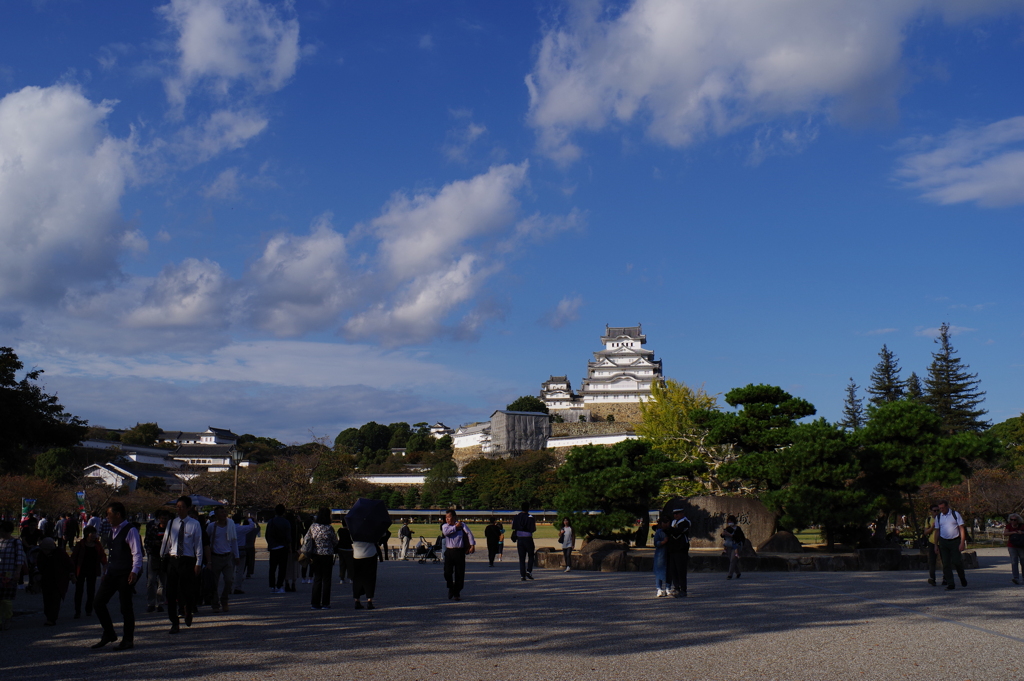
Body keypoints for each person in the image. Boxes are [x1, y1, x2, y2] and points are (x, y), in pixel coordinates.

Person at [91, 502, 142, 650]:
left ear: (118, 514)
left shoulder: (130, 530)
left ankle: (127, 639)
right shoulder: (112, 530)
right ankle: (109, 633)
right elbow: (112, 553)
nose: (107, 518)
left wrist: (135, 571)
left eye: (109, 514)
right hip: (112, 572)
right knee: (98, 602)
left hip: (125, 573)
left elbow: (136, 553)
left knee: (126, 607)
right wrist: (106, 570)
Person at [159, 495, 203, 633]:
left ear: (188, 508)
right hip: (173, 558)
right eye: (177, 507)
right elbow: (166, 540)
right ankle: (174, 622)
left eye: (182, 507)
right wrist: (162, 556)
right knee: (171, 592)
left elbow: (198, 544)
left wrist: (198, 562)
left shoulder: (194, 524)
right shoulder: (172, 523)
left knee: (187, 590)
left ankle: (188, 610)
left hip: (188, 559)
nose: (179, 510)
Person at [206, 506, 239, 613]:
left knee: (229, 580)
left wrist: (236, 556)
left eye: (225, 512)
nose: (224, 514)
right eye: (221, 512)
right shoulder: (211, 526)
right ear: (216, 515)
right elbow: (206, 542)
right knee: (214, 583)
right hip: (215, 557)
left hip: (227, 556)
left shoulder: (231, 525)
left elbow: (234, 541)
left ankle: (224, 599)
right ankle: (215, 603)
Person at [70, 525, 107, 619]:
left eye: (95, 533)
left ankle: (89, 609)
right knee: (79, 591)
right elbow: (74, 558)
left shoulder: (97, 545)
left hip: (92, 570)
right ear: (87, 534)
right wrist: (72, 572)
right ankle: (77, 611)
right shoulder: (80, 544)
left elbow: (102, 556)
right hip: (81, 570)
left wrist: (105, 566)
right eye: (92, 533)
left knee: (91, 591)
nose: (94, 535)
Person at [304, 508, 338, 610]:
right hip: (327, 555)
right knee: (327, 580)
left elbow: (307, 540)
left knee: (317, 579)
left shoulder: (313, 527)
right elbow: (335, 541)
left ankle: (315, 603)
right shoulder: (329, 528)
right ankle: (325, 603)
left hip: (316, 555)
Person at [37, 537, 74, 626]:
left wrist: (71, 574)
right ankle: (48, 615)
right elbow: (38, 565)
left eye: (47, 550)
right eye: (44, 549)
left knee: (55, 600)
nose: (46, 551)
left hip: (59, 580)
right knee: (46, 599)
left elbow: (69, 564)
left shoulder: (60, 553)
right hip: (46, 580)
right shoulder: (41, 554)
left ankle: (52, 618)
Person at [932, 500, 967, 591]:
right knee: (946, 563)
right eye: (940, 508)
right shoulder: (939, 517)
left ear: (947, 506)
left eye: (943, 508)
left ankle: (962, 577)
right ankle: (950, 583)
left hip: (955, 540)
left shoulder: (955, 514)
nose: (941, 510)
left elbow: (961, 528)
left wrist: (962, 542)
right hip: (943, 541)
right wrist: (936, 545)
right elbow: (937, 531)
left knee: (956, 561)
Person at [441, 509, 476, 601]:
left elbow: (469, 534)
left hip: (459, 552)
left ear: (455, 517)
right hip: (449, 551)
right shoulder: (445, 526)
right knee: (447, 572)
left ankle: (457, 592)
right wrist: (455, 527)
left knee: (459, 573)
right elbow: (446, 533)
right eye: (446, 517)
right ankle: (450, 587)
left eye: (449, 517)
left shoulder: (462, 525)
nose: (447, 519)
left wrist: (472, 545)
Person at [0, 519, 27, 631]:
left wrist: (17, 572)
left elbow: (20, 558)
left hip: (9, 573)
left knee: (6, 599)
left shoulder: (16, 542)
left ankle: (7, 618)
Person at [144, 511, 169, 613]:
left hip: (165, 557)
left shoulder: (170, 530)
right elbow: (146, 542)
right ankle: (151, 603)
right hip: (154, 556)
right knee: (151, 581)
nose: (163, 520)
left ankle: (160, 603)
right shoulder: (153, 528)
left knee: (162, 581)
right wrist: (155, 543)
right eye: (162, 518)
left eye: (165, 518)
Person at [265, 505, 291, 594]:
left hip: (273, 547)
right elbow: (288, 536)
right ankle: (279, 585)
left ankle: (272, 586)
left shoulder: (271, 522)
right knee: (282, 568)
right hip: (283, 547)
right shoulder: (286, 522)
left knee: (272, 568)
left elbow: (267, 534)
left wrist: (270, 543)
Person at [666, 507, 691, 598]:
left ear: (682, 514)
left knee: (681, 570)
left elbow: (678, 532)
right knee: (673, 570)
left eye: (677, 513)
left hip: (681, 548)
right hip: (673, 549)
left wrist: (669, 528)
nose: (675, 515)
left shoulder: (685, 522)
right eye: (674, 514)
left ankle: (683, 589)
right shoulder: (673, 522)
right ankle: (676, 587)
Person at [351, 534, 379, 610]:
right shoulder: (370, 529)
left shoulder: (354, 529)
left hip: (357, 554)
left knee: (357, 578)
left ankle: (357, 600)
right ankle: (369, 600)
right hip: (370, 554)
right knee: (370, 578)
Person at [511, 503, 537, 581]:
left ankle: (522, 575)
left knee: (522, 558)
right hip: (528, 538)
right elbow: (533, 529)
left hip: (519, 538)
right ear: (528, 508)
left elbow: (513, 526)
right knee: (531, 555)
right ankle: (529, 571)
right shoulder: (530, 517)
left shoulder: (516, 517)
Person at [233, 513, 254, 593]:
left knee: (230, 569)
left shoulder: (229, 528)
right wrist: (249, 519)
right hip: (241, 549)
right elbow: (252, 526)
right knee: (240, 570)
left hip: (231, 549)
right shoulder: (242, 529)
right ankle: (237, 587)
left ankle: (228, 586)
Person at [922, 504, 940, 586]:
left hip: (942, 542)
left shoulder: (942, 518)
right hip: (932, 542)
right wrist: (932, 527)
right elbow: (925, 532)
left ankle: (946, 578)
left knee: (945, 561)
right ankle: (932, 578)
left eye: (937, 510)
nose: (936, 512)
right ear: (931, 511)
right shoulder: (929, 519)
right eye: (934, 511)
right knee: (932, 561)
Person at [722, 515, 745, 579]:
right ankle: (738, 573)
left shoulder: (738, 529)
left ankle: (730, 575)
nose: (730, 523)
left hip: (736, 546)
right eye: (728, 521)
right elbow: (723, 536)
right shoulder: (727, 528)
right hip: (729, 545)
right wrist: (723, 534)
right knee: (732, 561)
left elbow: (738, 538)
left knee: (733, 559)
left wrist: (730, 535)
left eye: (731, 521)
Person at [652, 518, 670, 597]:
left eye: (667, 522)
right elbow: (655, 543)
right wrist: (663, 542)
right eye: (664, 522)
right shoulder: (659, 532)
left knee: (669, 571)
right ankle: (659, 588)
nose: (666, 524)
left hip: (669, 553)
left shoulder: (670, 531)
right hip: (660, 553)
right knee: (659, 571)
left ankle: (668, 588)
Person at [1005, 513, 1024, 585]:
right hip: (1012, 546)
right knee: (1014, 562)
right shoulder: (1009, 526)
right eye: (1011, 519)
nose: (1013, 521)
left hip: (1021, 546)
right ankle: (1016, 578)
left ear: (1018, 520)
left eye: (1014, 520)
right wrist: (1013, 532)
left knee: (1023, 562)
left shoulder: (1022, 526)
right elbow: (1005, 533)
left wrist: (1021, 532)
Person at [336, 518, 354, 585]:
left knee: (342, 564)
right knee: (350, 564)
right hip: (348, 548)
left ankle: (342, 578)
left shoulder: (340, 530)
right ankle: (351, 578)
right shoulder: (349, 531)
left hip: (341, 548)